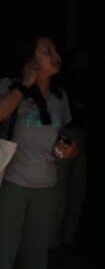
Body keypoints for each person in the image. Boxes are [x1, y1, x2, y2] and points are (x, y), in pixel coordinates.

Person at [0, 35, 79, 269]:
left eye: (56, 50)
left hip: (46, 186)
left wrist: (67, 149)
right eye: (46, 51)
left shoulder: (60, 97)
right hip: (12, 185)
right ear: (31, 59)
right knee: (4, 253)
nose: (56, 56)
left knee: (35, 258)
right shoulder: (10, 86)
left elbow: (58, 139)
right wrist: (24, 85)